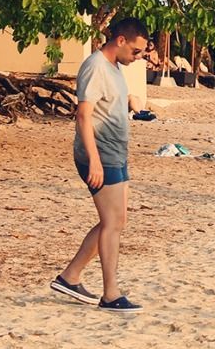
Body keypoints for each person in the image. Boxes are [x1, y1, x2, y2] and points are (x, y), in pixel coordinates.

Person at [51, 16, 151, 312]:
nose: (138, 57)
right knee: (112, 223)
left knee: (116, 222)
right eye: (136, 51)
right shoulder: (95, 66)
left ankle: (70, 277)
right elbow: (83, 115)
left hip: (115, 153)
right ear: (120, 40)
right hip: (99, 155)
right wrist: (93, 160)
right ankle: (110, 294)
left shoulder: (115, 68)